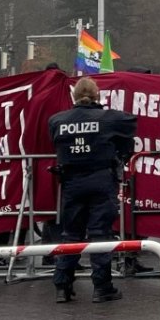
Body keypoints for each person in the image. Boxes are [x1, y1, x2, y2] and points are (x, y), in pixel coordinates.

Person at [49, 77, 137, 303]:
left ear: (73, 96)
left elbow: (56, 142)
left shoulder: (57, 120)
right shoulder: (110, 119)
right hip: (101, 180)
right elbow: (130, 131)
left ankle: (61, 285)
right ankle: (102, 287)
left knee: (71, 234)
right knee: (100, 234)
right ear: (98, 95)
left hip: (71, 183)